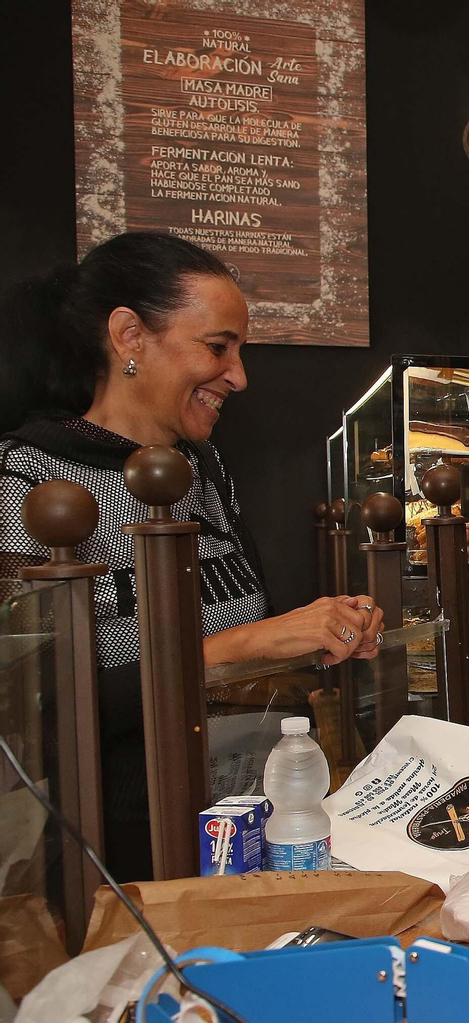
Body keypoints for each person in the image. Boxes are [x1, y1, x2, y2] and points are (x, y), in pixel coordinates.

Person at [0, 232, 383, 880]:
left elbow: (237, 640)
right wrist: (240, 644)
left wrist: (322, 630)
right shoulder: (27, 479)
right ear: (129, 336)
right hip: (118, 845)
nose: (239, 375)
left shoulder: (204, 469)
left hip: (241, 815)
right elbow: (31, 709)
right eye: (218, 346)